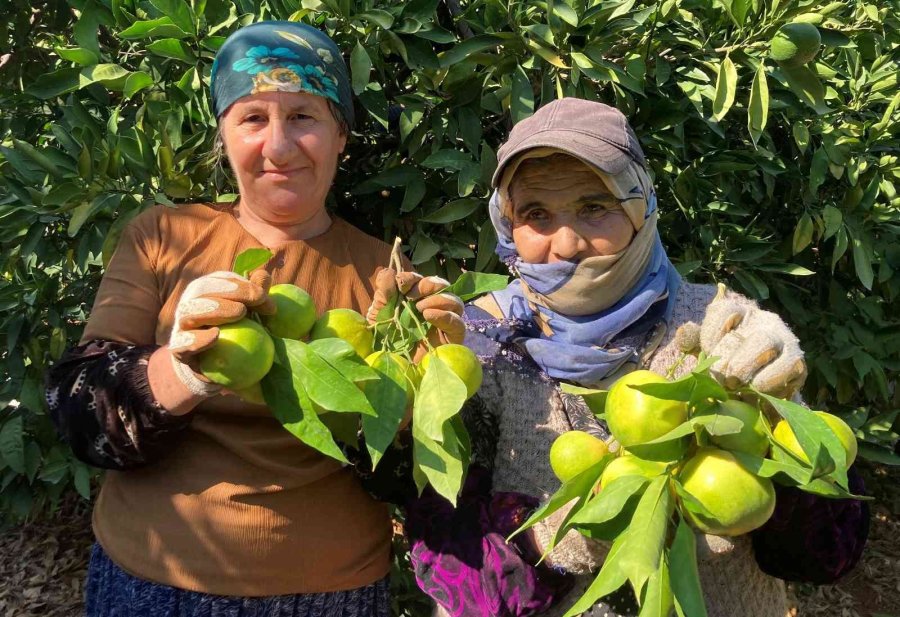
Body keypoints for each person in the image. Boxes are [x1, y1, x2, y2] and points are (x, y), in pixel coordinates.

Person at [44, 21, 463, 616]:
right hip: (154, 581)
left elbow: (404, 484)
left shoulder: (383, 274)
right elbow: (76, 412)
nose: (279, 146)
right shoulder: (163, 237)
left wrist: (418, 403)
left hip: (331, 591)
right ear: (223, 133)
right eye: (253, 119)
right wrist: (184, 369)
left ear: (340, 133)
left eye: (303, 117)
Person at [405, 98, 870, 617]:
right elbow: (456, 570)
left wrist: (784, 422)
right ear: (506, 223)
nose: (567, 244)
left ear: (641, 206)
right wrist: (575, 535)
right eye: (536, 214)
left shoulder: (722, 330)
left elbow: (825, 554)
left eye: (594, 206)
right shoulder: (473, 343)